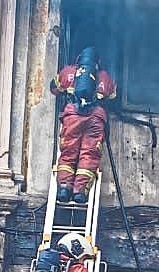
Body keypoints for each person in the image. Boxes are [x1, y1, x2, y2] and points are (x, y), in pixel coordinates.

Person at [50, 47, 117, 204]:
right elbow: (113, 96)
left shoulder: (69, 72)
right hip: (95, 118)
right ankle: (80, 192)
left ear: (79, 59)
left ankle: (64, 188)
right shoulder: (104, 77)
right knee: (89, 154)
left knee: (69, 152)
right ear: (97, 62)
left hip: (72, 115)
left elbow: (54, 88)